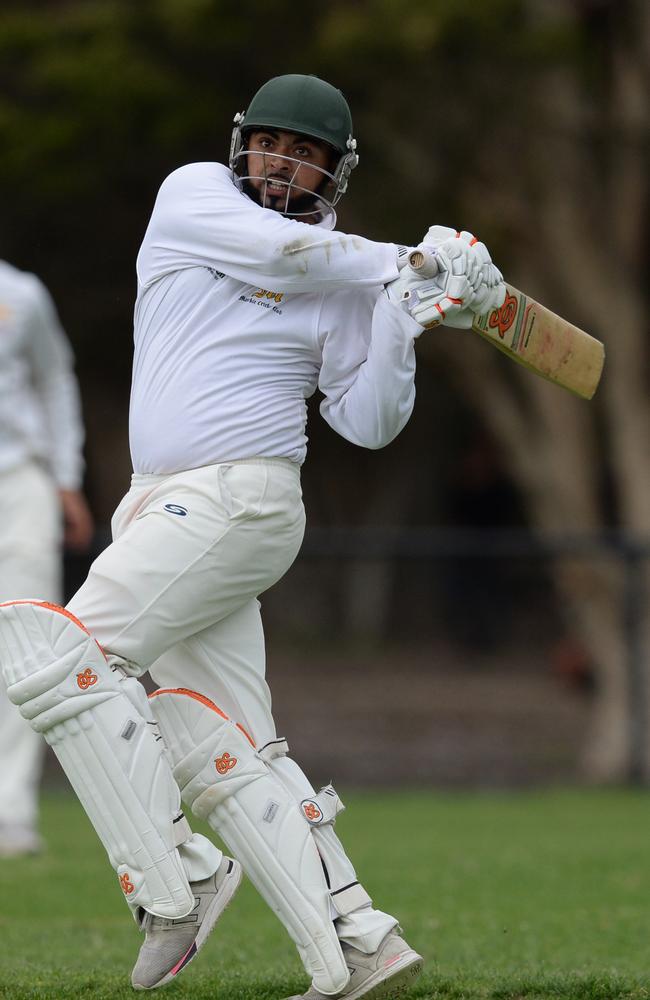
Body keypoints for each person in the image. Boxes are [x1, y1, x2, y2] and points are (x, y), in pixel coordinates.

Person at [0, 75, 505, 997]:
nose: (284, 164)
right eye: (273, 143)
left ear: (334, 171)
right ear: (243, 144)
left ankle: (176, 879)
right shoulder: (194, 196)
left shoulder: (354, 275)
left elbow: (370, 421)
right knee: (236, 744)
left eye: (306, 153)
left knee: (53, 653)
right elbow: (285, 256)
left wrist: (403, 318)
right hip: (157, 502)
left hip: (241, 499)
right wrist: (412, 263)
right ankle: (357, 939)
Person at [0, 261, 93, 858]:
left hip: (18, 482)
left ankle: (10, 813)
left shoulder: (20, 292)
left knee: (26, 646)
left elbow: (55, 379)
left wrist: (66, 477)